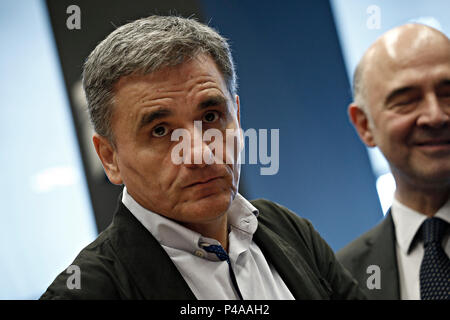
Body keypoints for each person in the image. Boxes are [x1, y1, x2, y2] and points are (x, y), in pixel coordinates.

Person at [40, 15, 363, 300]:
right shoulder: (86, 293)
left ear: (237, 115)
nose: (199, 152)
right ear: (109, 157)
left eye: (210, 117)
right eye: (160, 130)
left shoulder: (287, 230)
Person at [337, 24, 450, 300]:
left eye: (447, 93)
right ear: (365, 125)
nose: (435, 116)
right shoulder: (340, 279)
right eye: (406, 101)